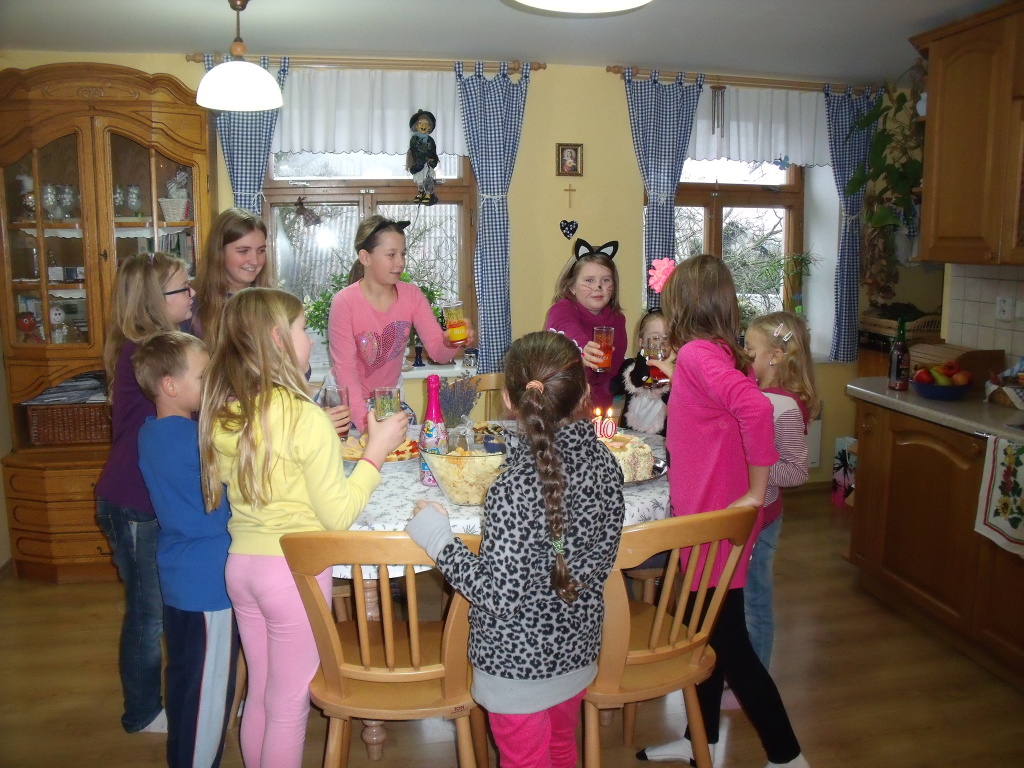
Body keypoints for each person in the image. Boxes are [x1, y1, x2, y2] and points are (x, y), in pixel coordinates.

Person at [198, 287, 408, 768]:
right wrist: (375, 453)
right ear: (278, 339)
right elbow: (338, 516)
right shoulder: (305, 418)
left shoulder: (227, 412)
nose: (310, 339)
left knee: (263, 692)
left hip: (242, 568)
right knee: (289, 702)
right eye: (302, 329)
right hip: (292, 575)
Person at [407, 331, 624, 768]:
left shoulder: (513, 489)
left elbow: (499, 596)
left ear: (509, 401)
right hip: (577, 651)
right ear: (584, 392)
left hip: (515, 668)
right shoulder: (605, 463)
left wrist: (438, 540)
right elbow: (601, 559)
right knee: (561, 747)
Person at [637, 255, 810, 768]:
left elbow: (754, 409)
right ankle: (702, 742)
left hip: (714, 522)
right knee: (705, 638)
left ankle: (787, 757)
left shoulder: (697, 353)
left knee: (729, 643)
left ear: (682, 305)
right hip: (710, 516)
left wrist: (757, 491)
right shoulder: (719, 352)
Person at [94, 252, 197, 734]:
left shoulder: (154, 349)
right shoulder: (147, 357)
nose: (192, 294)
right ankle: (141, 712)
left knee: (155, 608)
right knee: (146, 613)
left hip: (149, 499)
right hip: (133, 502)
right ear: (157, 300)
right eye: (182, 289)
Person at [134, 331, 236, 767]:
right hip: (208, 583)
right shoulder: (192, 440)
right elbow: (220, 507)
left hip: (180, 578)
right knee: (208, 697)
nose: (211, 383)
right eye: (203, 376)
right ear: (169, 385)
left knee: (185, 682)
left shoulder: (154, 432)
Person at [328, 215, 471, 433]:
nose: (400, 262)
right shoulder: (344, 302)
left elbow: (438, 353)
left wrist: (450, 342)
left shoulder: (412, 296)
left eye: (403, 254)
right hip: (345, 405)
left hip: (388, 400)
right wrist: (367, 426)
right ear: (365, 257)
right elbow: (345, 372)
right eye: (391, 255)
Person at [742, 311, 819, 669]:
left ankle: (756, 677)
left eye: (750, 349)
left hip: (764, 520)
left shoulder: (783, 406)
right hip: (750, 515)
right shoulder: (759, 394)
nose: (744, 355)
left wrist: (749, 463)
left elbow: (796, 471)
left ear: (774, 356)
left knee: (755, 602)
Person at [544, 238, 627, 410]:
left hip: (594, 409)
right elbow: (567, 329)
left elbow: (611, 375)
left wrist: (595, 413)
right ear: (572, 287)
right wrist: (583, 349)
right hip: (555, 405)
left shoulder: (617, 319)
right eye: (589, 280)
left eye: (606, 280)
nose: (598, 287)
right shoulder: (561, 309)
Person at [188, 208, 273, 345]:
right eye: (243, 251)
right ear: (219, 252)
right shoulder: (191, 304)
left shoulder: (273, 303)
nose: (255, 261)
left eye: (261, 251)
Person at [610, 308, 671, 436]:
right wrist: (641, 364)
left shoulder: (676, 373)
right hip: (630, 439)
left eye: (667, 337)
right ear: (641, 342)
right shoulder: (630, 366)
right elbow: (614, 388)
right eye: (655, 338)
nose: (661, 343)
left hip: (661, 440)